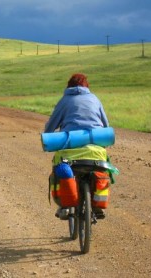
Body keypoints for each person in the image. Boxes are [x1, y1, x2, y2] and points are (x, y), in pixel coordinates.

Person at [44, 73, 109, 219]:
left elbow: (51, 126)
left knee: (60, 169)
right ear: (87, 86)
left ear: (69, 86)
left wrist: (49, 135)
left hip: (69, 151)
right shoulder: (95, 99)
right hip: (95, 149)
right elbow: (106, 126)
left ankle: (65, 205)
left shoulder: (65, 101)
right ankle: (97, 205)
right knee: (100, 171)